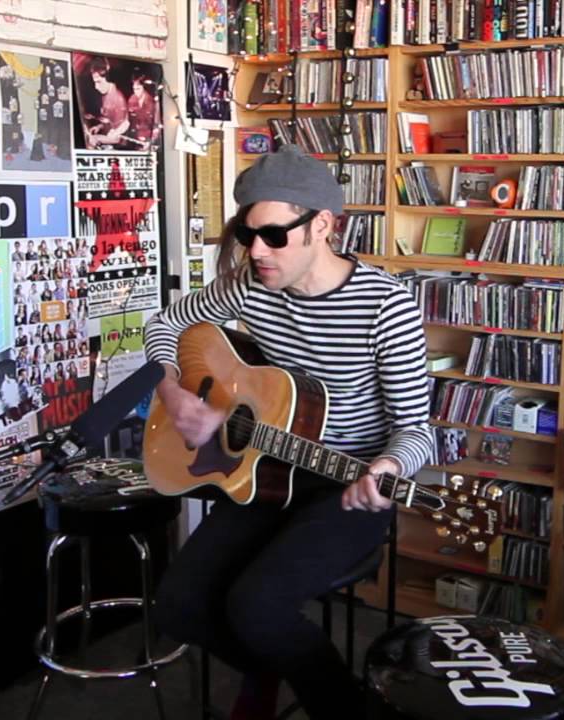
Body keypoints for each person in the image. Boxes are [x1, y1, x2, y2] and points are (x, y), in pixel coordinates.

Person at [145, 145, 433, 720]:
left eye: (273, 236)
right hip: (263, 475)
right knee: (175, 606)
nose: (256, 252)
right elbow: (165, 323)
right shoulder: (252, 286)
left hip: (345, 487)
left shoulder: (385, 306)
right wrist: (174, 390)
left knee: (256, 606)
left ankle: (344, 707)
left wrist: (386, 469)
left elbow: (418, 431)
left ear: (322, 225)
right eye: (248, 236)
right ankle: (270, 663)